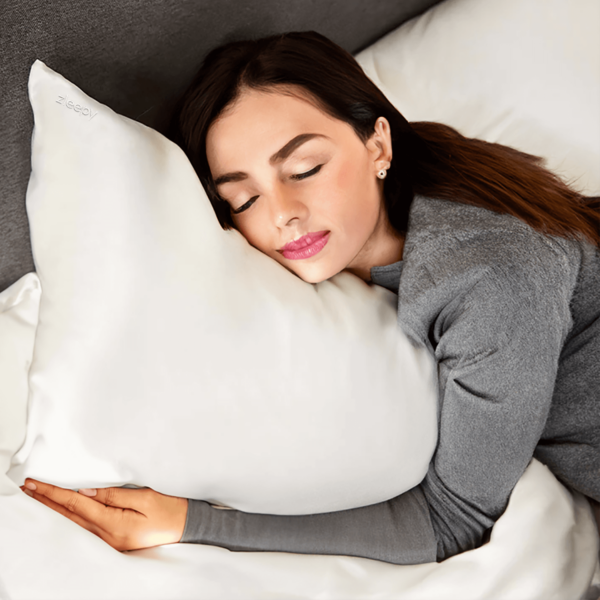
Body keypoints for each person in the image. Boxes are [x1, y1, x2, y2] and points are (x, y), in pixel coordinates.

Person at [21, 31, 600, 564]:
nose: (281, 215)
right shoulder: (436, 193)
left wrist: (194, 523)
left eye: (304, 167)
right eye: (243, 200)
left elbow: (451, 520)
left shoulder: (481, 281)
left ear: (378, 144)